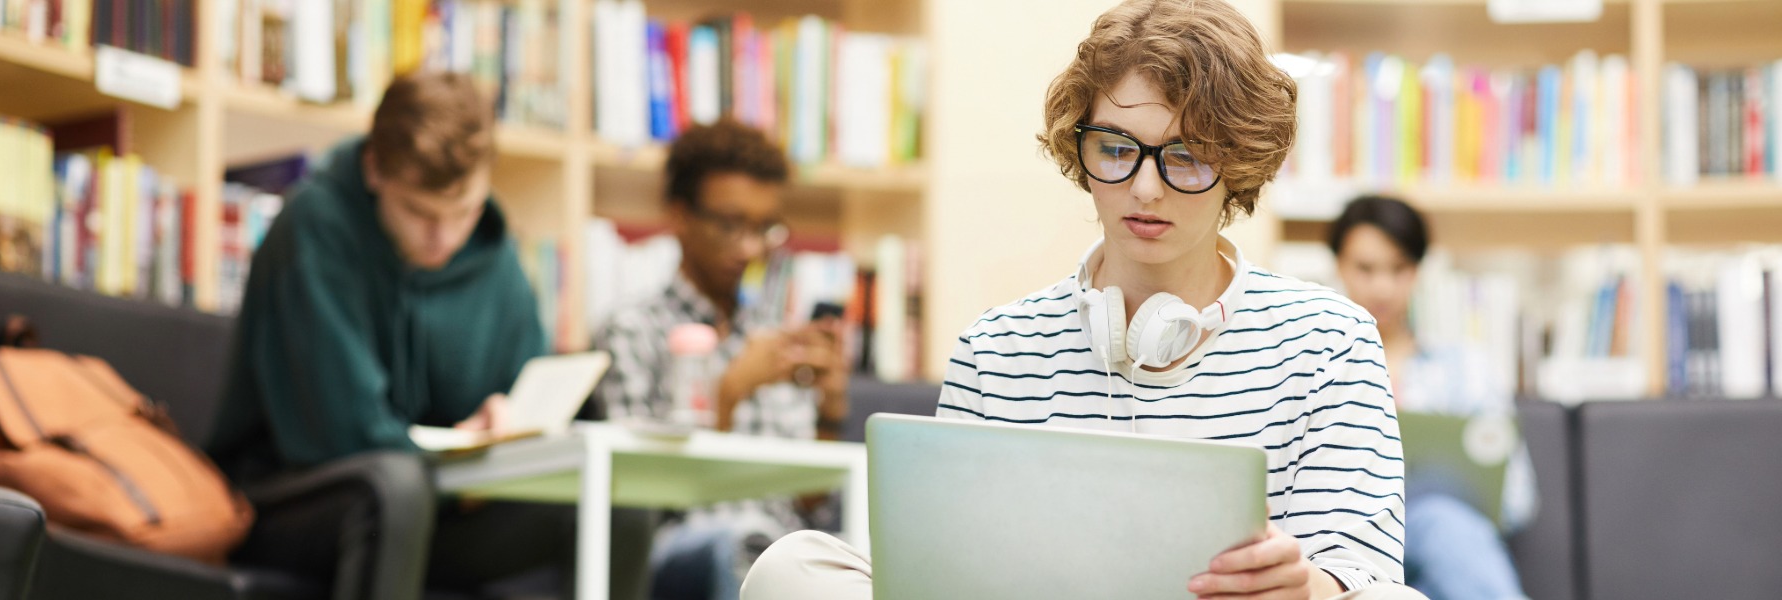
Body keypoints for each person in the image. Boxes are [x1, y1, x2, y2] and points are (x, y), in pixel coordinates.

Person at [741, 0, 1427, 598]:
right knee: (790, 566)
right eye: (1116, 147)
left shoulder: (1331, 339)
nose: (1146, 188)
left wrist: (1304, 585)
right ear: (1081, 150)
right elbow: (940, 561)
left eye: (1185, 155)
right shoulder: (996, 346)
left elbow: (1359, 561)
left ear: (1238, 164)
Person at [207, 72, 653, 600]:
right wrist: (465, 473)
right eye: (417, 212)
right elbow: (341, 435)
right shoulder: (312, 227)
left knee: (620, 506)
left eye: (461, 212)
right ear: (374, 170)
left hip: (438, 498)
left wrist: (510, 429)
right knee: (395, 488)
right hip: (289, 499)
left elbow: (528, 398)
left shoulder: (494, 250)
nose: (442, 239)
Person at [588, 120, 850, 600]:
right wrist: (727, 393)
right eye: (730, 224)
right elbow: (642, 498)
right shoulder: (631, 329)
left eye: (764, 228)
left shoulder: (773, 339)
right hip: (681, 546)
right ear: (680, 215)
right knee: (740, 543)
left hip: (781, 553)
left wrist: (830, 411)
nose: (749, 248)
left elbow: (807, 506)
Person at [1327, 196, 1536, 600]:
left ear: (1419, 271)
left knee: (1442, 529)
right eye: (1366, 268)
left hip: (1444, 543)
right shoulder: (1316, 365)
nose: (1383, 286)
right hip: (1341, 543)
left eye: (1399, 268)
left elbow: (1517, 498)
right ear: (1338, 266)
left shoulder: (1467, 370)